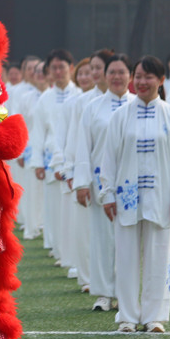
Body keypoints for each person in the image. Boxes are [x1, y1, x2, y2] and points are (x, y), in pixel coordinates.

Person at [99, 56, 170, 333]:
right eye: (137, 76)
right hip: (126, 196)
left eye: (148, 77)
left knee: (158, 255)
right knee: (126, 256)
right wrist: (107, 193)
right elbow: (109, 157)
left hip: (160, 196)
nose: (141, 82)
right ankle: (127, 316)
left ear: (161, 81)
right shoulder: (121, 116)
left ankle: (154, 316)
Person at [74, 54, 135, 312]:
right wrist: (81, 183)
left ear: (130, 76)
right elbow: (83, 147)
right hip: (102, 183)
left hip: (132, 184)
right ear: (105, 76)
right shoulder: (93, 108)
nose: (118, 77)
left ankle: (126, 293)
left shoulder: (138, 105)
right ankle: (103, 294)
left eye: (123, 72)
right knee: (102, 239)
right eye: (113, 72)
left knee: (129, 241)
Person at [62, 49, 113, 288]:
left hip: (115, 176)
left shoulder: (123, 101)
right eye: (91, 68)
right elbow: (73, 139)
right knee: (86, 228)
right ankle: (87, 278)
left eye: (98, 68)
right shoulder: (81, 101)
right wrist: (71, 170)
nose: (93, 73)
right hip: (88, 172)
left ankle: (111, 280)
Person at [28, 49, 79, 269]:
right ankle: (61, 252)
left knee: (75, 210)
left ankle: (76, 254)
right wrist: (38, 162)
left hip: (75, 158)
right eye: (54, 68)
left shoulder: (80, 95)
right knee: (55, 209)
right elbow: (38, 132)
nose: (58, 72)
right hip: (51, 159)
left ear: (71, 68)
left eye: (62, 67)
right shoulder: (45, 99)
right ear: (48, 72)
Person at [17, 60, 46, 240]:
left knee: (47, 193)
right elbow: (20, 125)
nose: (40, 75)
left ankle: (45, 226)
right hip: (31, 149)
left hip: (50, 151)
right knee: (31, 190)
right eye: (37, 72)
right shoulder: (26, 98)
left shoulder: (52, 97)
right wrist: (21, 151)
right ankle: (31, 226)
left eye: (44, 72)